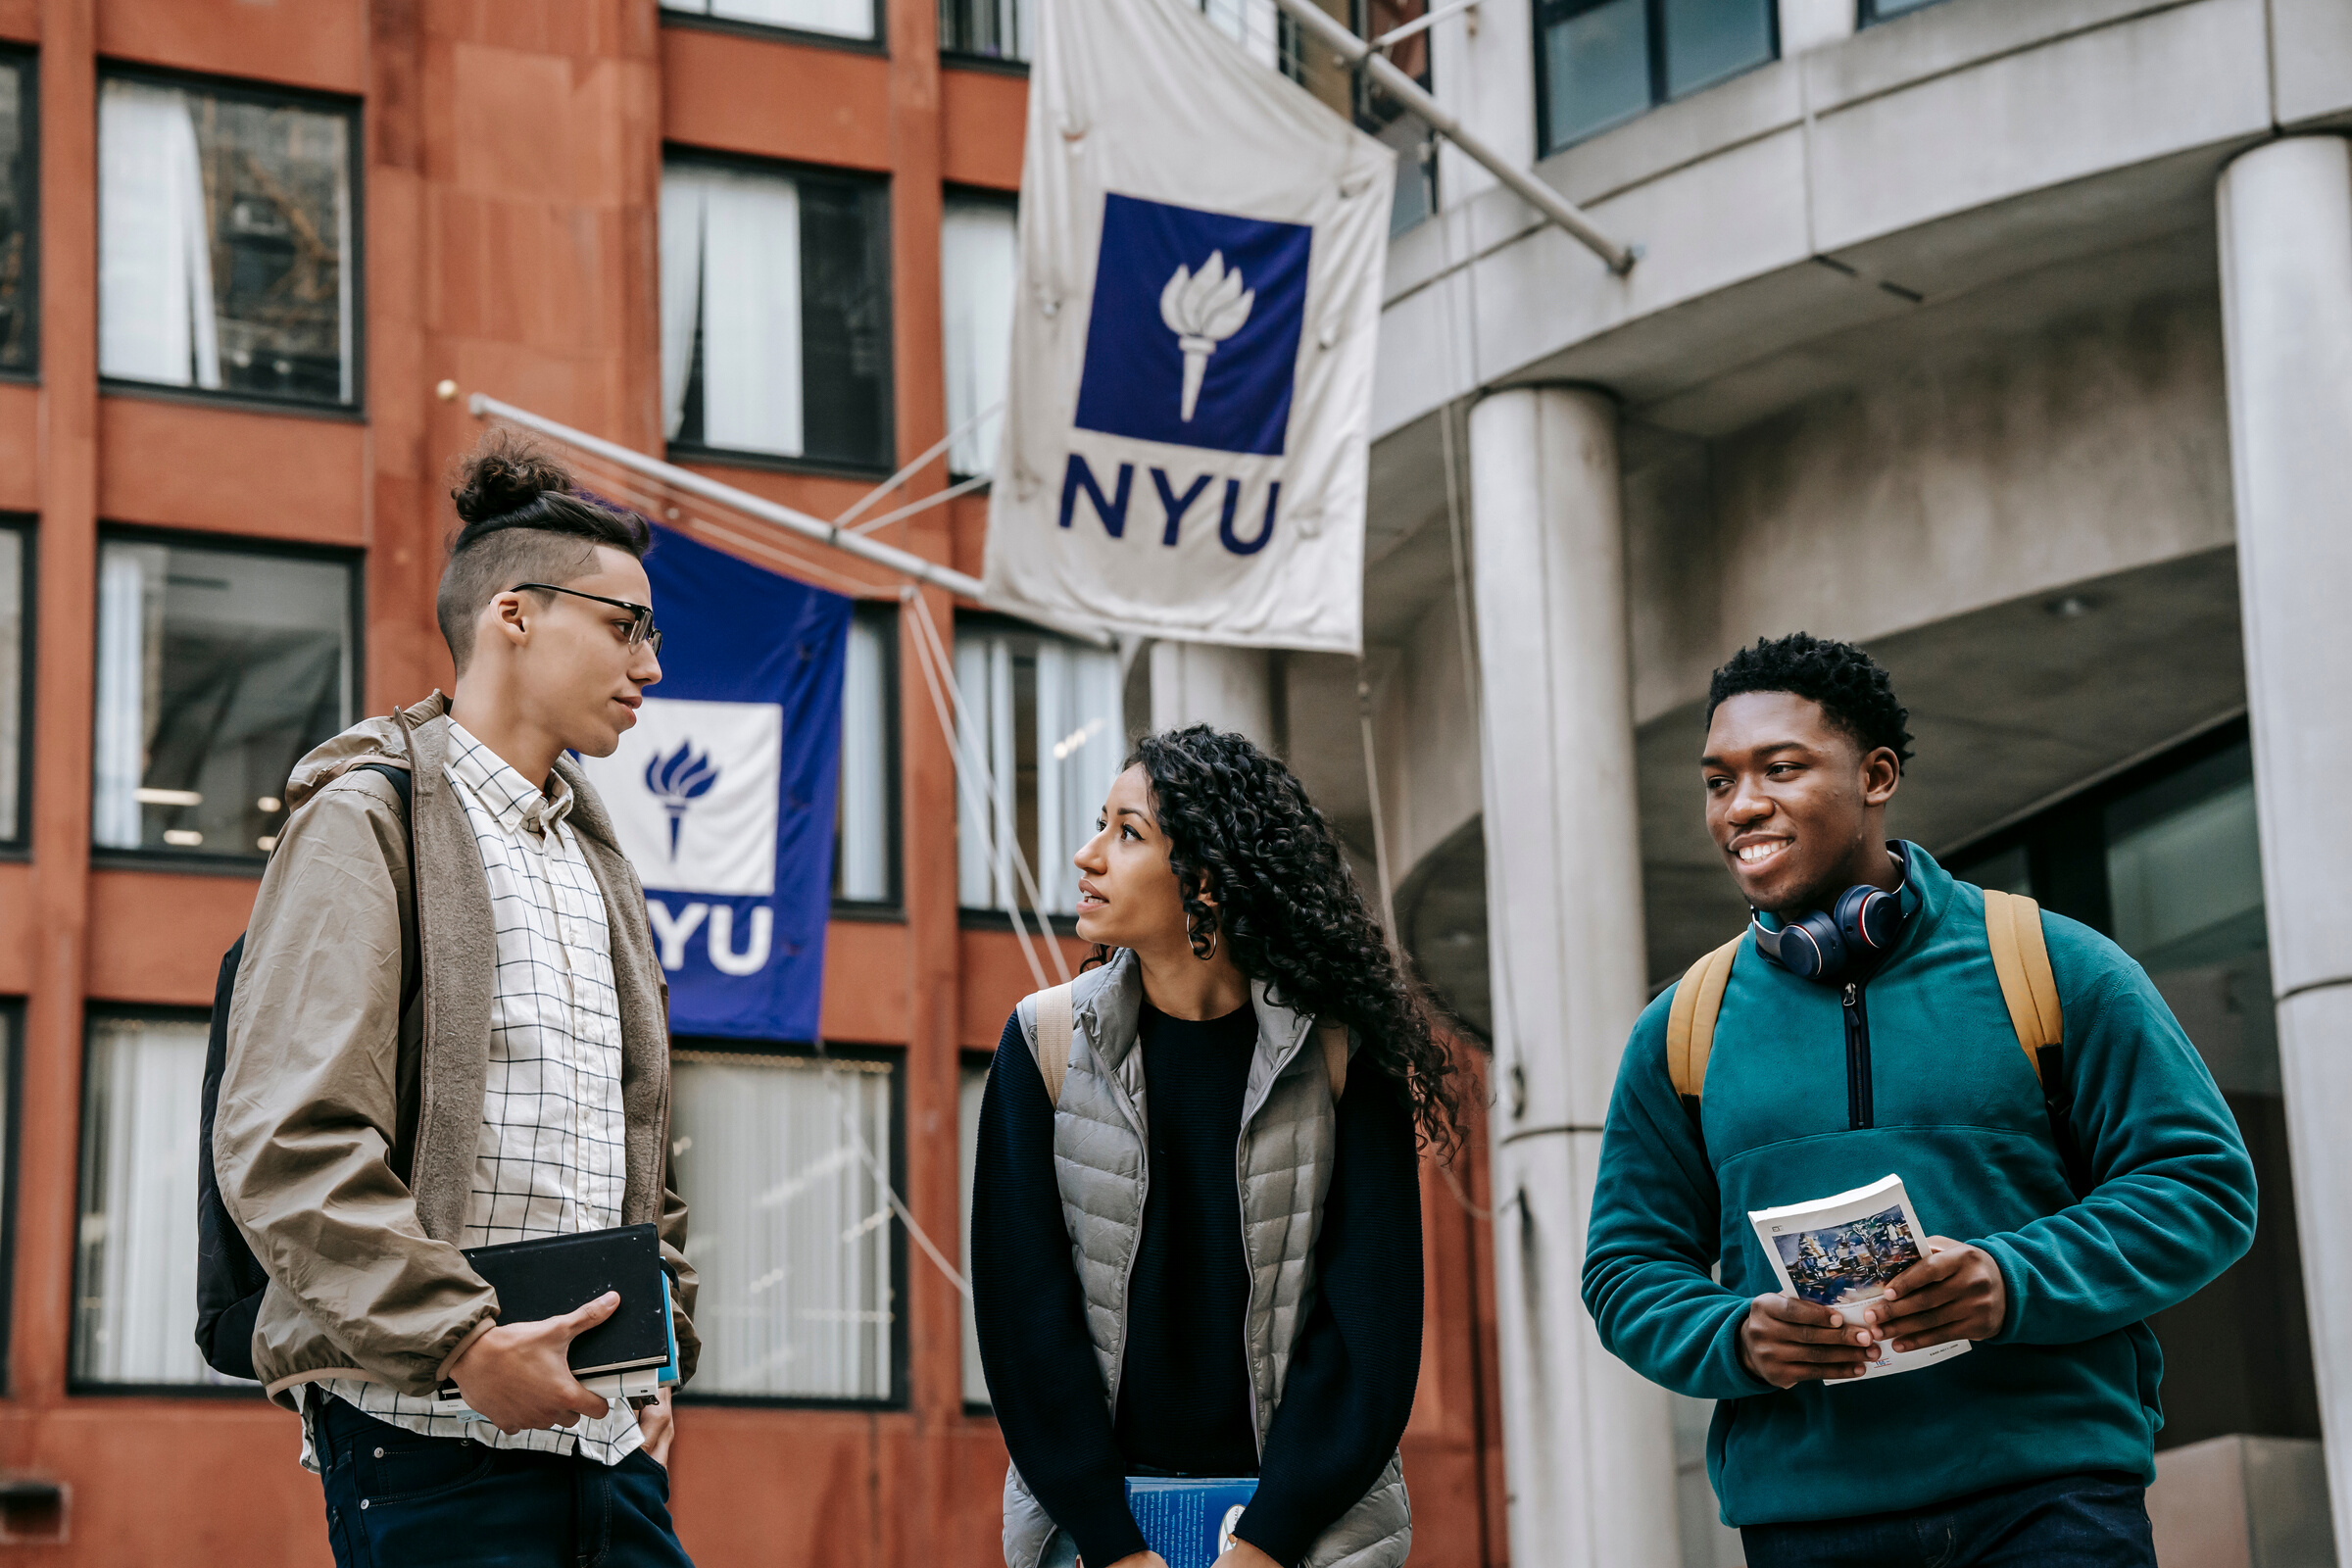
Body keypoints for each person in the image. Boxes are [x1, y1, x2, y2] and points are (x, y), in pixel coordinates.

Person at [1581, 632, 2259, 1567]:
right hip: (1807, 1525)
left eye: (1780, 768)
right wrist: (1734, 1336)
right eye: (1718, 780)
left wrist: (2008, 1278)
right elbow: (1624, 1268)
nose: (1743, 806)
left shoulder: (2055, 965)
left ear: (1876, 774)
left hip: (2051, 1503)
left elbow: (2202, 1187)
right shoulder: (1681, 1028)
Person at [214, 433, 700, 1567]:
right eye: (627, 626)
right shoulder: (366, 821)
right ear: (515, 615)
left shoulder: (595, 857)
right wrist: (464, 1344)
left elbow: (641, 1149)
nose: (652, 665)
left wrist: (664, 1352)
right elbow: (288, 1140)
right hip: (426, 1437)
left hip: (608, 1445)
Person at [970, 726, 1455, 1568]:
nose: (1088, 856)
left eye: (1127, 833)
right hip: (1095, 1536)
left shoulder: (1340, 1054)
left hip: (1309, 1536)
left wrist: (1265, 1544)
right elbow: (1025, 1329)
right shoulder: (1043, 1043)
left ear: (1205, 878)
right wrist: (1115, 1546)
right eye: (1100, 825)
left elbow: (1370, 1333)